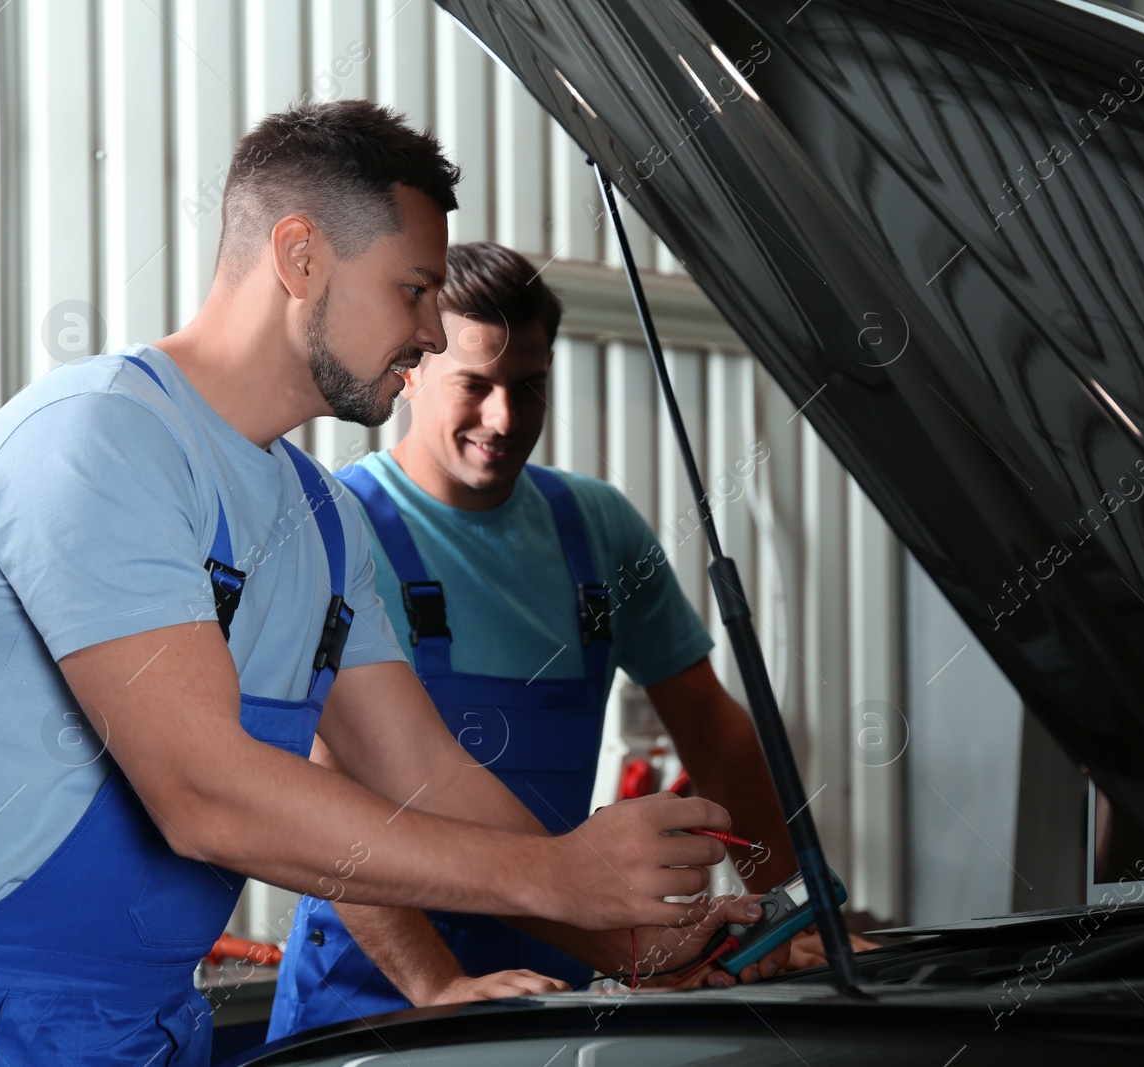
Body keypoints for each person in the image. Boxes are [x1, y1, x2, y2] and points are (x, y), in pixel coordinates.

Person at [0, 102, 764, 1067]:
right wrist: (555, 873)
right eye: (416, 288)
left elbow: (423, 770)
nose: (431, 331)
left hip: (150, 1024)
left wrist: (634, 941)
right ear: (300, 257)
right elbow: (204, 793)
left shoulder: (322, 519)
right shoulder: (97, 442)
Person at [268, 241, 859, 1039]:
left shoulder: (598, 530)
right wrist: (435, 981)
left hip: (559, 975)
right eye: (474, 386)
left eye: (529, 388)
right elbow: (328, 791)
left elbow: (714, 730)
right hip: (375, 992)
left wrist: (790, 907)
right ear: (412, 372)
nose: (504, 419)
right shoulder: (343, 529)